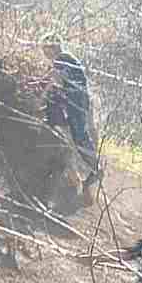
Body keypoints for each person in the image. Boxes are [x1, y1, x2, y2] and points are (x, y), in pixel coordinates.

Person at [43, 36, 101, 206]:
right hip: (77, 99)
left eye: (45, 50)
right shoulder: (66, 59)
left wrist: (43, 94)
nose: (44, 54)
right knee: (78, 134)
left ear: (52, 48)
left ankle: (94, 168)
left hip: (77, 100)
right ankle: (90, 168)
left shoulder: (62, 59)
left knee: (79, 135)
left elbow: (56, 80)